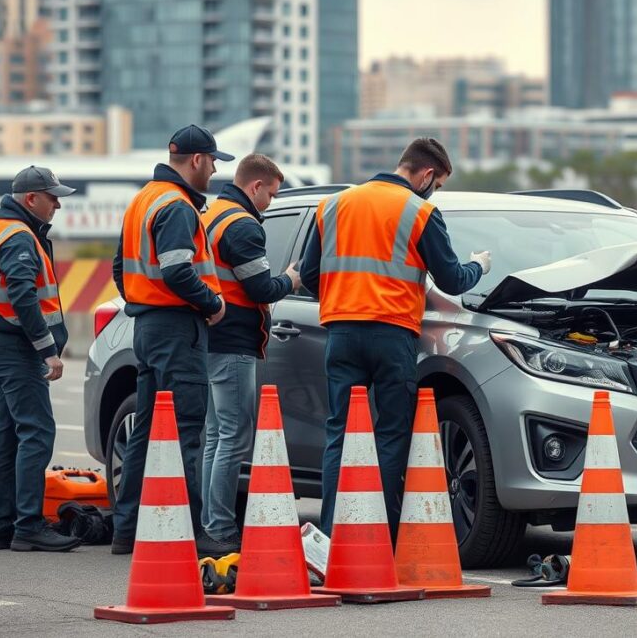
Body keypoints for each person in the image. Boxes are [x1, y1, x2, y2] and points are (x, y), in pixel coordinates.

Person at [299, 137, 490, 540]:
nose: (434, 191)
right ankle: (377, 537)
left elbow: (311, 276)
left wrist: (345, 296)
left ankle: (333, 534)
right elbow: (453, 278)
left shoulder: (332, 205)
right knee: (389, 434)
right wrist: (479, 266)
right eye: (436, 184)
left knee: (340, 432)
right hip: (392, 333)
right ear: (425, 174)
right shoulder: (420, 212)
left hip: (341, 331)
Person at [110, 124, 232, 555]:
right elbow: (178, 270)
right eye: (214, 162)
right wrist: (211, 304)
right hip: (178, 329)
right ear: (196, 160)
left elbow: (120, 270)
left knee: (145, 431)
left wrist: (142, 303)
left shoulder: (143, 200)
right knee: (186, 431)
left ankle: (126, 531)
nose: (215, 171)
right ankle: (193, 535)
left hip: (148, 328)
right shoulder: (177, 206)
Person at [0, 166, 80, 552]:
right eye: (52, 198)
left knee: (8, 435)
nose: (57, 205)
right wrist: (47, 349)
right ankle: (28, 525)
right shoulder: (19, 236)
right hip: (16, 346)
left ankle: (1, 527)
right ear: (31, 199)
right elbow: (23, 296)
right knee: (37, 432)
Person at [197, 154, 300, 556]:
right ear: (255, 186)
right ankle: (220, 527)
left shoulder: (212, 214)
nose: (271, 203)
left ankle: (211, 523)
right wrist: (290, 279)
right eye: (271, 195)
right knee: (233, 437)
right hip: (234, 340)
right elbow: (261, 288)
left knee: (216, 437)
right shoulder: (242, 225)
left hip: (210, 338)